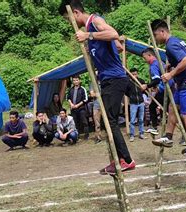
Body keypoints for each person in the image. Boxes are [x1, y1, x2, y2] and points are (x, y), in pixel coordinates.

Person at [60, 0, 136, 173]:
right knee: (108, 121)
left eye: (68, 18)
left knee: (110, 121)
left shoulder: (94, 21)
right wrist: (94, 46)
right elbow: (117, 46)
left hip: (115, 79)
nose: (69, 22)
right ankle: (116, 160)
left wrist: (89, 36)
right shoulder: (91, 31)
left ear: (76, 13)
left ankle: (127, 160)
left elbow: (114, 33)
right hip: (108, 79)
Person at [150, 19, 186, 155]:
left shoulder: (171, 45)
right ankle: (168, 137)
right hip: (182, 83)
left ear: (162, 32)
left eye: (155, 35)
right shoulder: (175, 41)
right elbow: (182, 59)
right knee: (172, 108)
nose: (155, 39)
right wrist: (171, 66)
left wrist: (170, 74)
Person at [141, 48, 174, 133]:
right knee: (169, 109)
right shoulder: (160, 63)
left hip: (166, 89)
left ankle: (154, 127)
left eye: (145, 58)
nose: (144, 60)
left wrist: (147, 85)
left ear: (150, 55)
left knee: (152, 107)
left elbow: (157, 80)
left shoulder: (154, 65)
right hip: (169, 87)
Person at [126, 67, 146, 141]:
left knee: (141, 119)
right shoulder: (128, 82)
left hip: (141, 102)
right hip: (133, 103)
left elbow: (145, 89)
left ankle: (141, 133)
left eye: (136, 74)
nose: (135, 76)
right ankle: (132, 135)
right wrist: (131, 96)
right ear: (130, 75)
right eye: (133, 74)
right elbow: (126, 91)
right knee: (132, 120)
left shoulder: (141, 81)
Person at [67, 75, 89, 139]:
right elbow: (68, 98)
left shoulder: (82, 89)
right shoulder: (71, 89)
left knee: (84, 121)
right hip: (73, 109)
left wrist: (77, 105)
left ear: (79, 81)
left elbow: (85, 99)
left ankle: (86, 135)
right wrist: (71, 104)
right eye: (74, 80)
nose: (75, 81)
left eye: (77, 80)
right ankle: (77, 135)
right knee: (75, 123)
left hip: (81, 108)